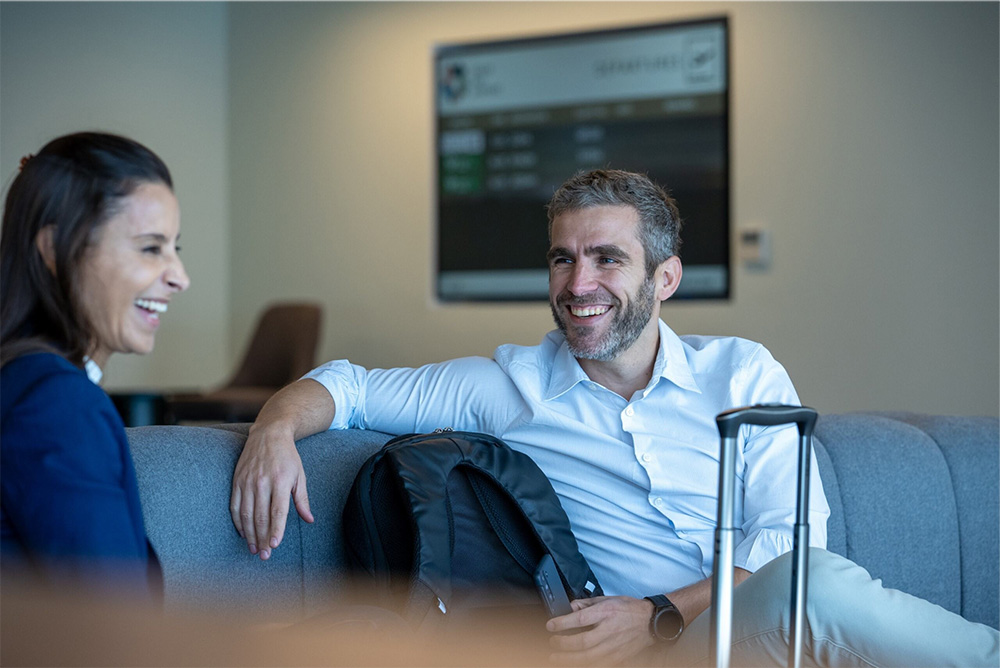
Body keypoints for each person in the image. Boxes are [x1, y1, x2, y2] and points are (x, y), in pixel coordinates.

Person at [229, 169, 998, 666]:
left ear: (665, 278)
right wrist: (273, 427)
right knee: (816, 593)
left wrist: (661, 613)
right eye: (563, 258)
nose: (578, 282)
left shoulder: (742, 372)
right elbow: (349, 387)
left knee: (809, 585)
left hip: (738, 635)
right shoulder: (509, 386)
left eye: (606, 258)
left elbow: (791, 540)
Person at [1, 131, 190, 603]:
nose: (180, 278)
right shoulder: (56, 404)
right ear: (55, 249)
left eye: (175, 249)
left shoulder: (23, 380)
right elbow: (115, 629)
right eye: (151, 248)